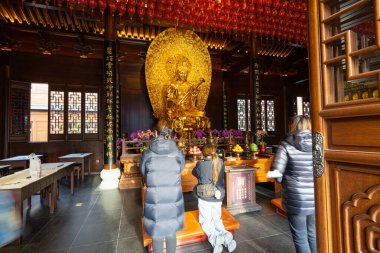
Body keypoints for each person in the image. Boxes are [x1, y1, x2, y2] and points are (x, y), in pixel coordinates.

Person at [266, 115, 316, 253]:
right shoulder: (319, 142)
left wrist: (279, 180)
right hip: (317, 196)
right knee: (313, 234)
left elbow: (276, 173)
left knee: (300, 236)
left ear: (292, 127)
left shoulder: (286, 144)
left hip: (296, 198)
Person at [140, 119, 185, 253]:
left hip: (155, 198)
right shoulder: (178, 153)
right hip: (173, 195)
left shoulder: (148, 154)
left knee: (157, 232)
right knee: (171, 231)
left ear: (155, 133)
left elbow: (144, 172)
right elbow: (180, 169)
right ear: (170, 133)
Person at [192, 143, 237, 253]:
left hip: (205, 197)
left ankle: (215, 239)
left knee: (206, 221)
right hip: (218, 197)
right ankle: (226, 236)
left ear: (203, 153)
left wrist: (199, 163)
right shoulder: (220, 162)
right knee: (216, 219)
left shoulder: (201, 165)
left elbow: (194, 172)